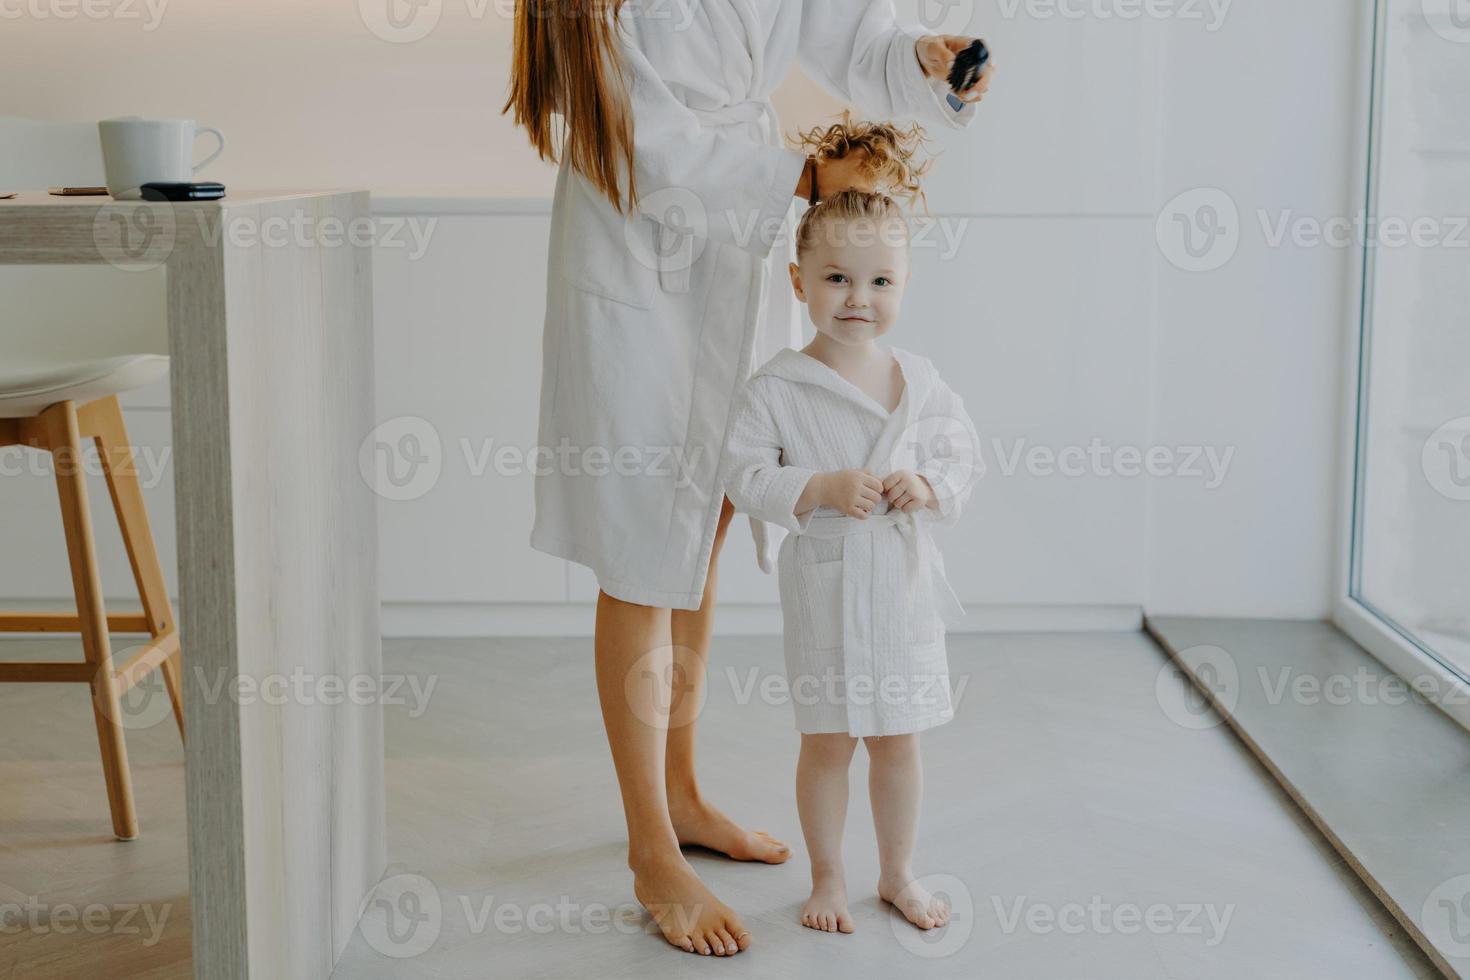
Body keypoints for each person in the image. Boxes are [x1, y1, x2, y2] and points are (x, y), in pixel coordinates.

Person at [503, 0, 991, 957]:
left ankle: (682, 794)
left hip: (734, 249)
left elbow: (846, 33)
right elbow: (632, 136)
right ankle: (651, 847)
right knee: (642, 544)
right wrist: (803, 176)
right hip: (637, 249)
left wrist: (921, 61)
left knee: (706, 520)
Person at [720, 183, 980, 935]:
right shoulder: (777, 387)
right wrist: (818, 486)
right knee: (828, 740)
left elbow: (965, 455)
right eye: (836, 277)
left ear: (903, 285)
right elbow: (744, 474)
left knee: (898, 739)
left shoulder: (920, 383)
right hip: (826, 593)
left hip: (900, 590)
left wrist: (928, 483)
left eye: (879, 281)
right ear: (799, 281)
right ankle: (828, 875)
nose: (857, 298)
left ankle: (897, 872)